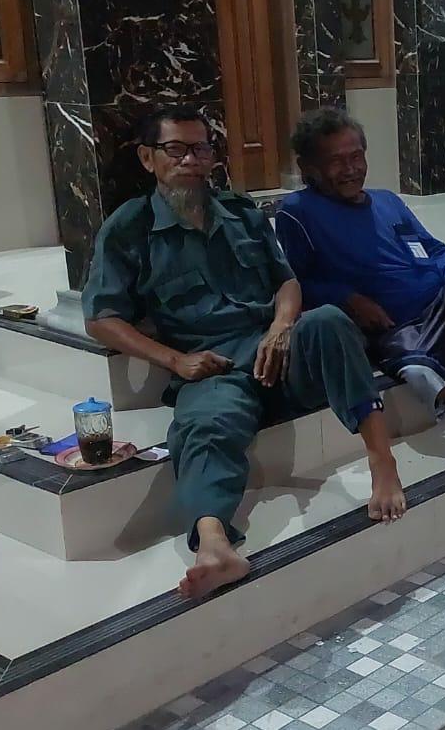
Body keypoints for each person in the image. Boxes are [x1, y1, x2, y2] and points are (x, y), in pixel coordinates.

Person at [83, 105, 406, 603]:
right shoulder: (129, 228)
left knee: (329, 320)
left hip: (275, 350)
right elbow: (100, 318)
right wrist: (174, 361)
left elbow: (287, 282)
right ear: (148, 158)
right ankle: (214, 544)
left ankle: (383, 462)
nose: (191, 160)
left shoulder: (241, 212)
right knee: (204, 426)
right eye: (176, 149)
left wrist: (281, 326)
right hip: (213, 366)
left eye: (201, 148)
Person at [275, 108, 445, 418]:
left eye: (357, 157)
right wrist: (348, 299)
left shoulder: (387, 200)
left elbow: (432, 248)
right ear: (308, 167)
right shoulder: (298, 210)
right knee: (418, 373)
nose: (350, 169)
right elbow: (299, 282)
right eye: (336, 161)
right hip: (402, 326)